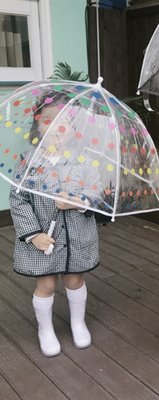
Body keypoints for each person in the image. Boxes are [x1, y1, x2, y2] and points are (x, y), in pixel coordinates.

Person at [9, 91, 102, 357]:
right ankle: (45, 329)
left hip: (76, 237)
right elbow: (18, 200)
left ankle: (77, 322)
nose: (56, 126)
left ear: (74, 129)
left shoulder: (85, 160)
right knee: (46, 284)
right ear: (38, 125)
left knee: (74, 279)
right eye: (48, 119)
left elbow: (96, 193)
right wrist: (33, 234)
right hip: (43, 240)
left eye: (64, 120)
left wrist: (77, 201)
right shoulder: (28, 162)